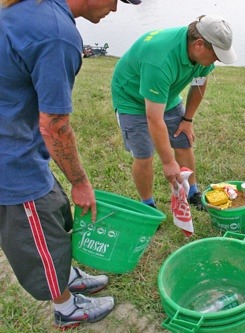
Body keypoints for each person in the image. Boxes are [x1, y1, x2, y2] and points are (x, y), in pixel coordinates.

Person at [0, 0, 141, 329]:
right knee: (38, 234)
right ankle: (65, 307)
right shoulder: (57, 35)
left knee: (56, 209)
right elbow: (54, 127)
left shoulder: (34, 10)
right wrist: (80, 182)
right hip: (10, 160)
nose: (116, 10)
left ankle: (67, 274)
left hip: (19, 140)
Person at [111, 15, 237, 211]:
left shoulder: (202, 56)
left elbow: (199, 83)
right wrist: (168, 162)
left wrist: (187, 119)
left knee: (183, 140)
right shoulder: (159, 59)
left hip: (166, 96)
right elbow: (154, 118)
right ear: (199, 44)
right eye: (216, 55)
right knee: (144, 155)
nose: (217, 60)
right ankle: (148, 204)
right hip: (131, 99)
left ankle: (192, 192)